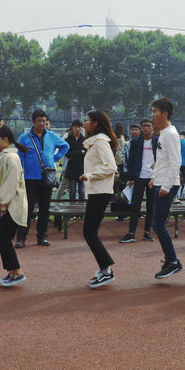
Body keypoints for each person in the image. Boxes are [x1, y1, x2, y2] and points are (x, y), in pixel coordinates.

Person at [16, 109, 69, 247]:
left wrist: (54, 158)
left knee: (45, 209)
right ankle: (21, 238)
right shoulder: (24, 138)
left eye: (44, 121)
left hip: (47, 178)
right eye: (39, 121)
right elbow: (19, 157)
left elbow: (65, 146)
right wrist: (18, 173)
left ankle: (42, 237)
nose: (42, 124)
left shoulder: (51, 135)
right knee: (27, 209)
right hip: (30, 178)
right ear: (33, 122)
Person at [79, 110, 119, 288]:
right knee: (90, 232)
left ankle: (106, 270)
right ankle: (105, 269)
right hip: (97, 191)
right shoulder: (95, 142)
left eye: (87, 121)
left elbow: (111, 166)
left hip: (101, 192)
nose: (84, 124)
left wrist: (90, 175)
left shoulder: (100, 142)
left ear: (95, 123)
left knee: (89, 232)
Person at [150, 98, 184, 279]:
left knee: (158, 224)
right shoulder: (163, 133)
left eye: (155, 111)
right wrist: (154, 178)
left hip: (166, 185)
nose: (152, 115)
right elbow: (163, 162)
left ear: (164, 113)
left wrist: (166, 186)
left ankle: (173, 261)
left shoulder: (170, 133)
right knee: (157, 224)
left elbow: (176, 162)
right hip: (160, 183)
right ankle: (171, 260)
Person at [0, 125, 29, 287]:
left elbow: (10, 183)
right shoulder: (8, 156)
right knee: (4, 239)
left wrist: (4, 203)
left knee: (4, 239)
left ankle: (17, 272)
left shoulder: (11, 158)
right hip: (10, 203)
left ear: (6, 140)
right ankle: (12, 272)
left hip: (12, 205)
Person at [120, 118, 157, 243]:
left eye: (148, 126)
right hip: (139, 177)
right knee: (135, 206)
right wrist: (130, 178)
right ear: (141, 128)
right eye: (144, 126)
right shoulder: (135, 142)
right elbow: (131, 161)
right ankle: (131, 233)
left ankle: (147, 232)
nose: (146, 128)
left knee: (151, 207)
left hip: (153, 178)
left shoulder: (158, 141)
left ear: (152, 127)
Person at [64, 120, 86, 201]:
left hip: (81, 168)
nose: (77, 129)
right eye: (75, 126)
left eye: (79, 127)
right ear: (72, 128)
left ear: (81, 128)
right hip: (72, 168)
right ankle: (71, 208)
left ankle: (82, 209)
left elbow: (86, 153)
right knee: (72, 191)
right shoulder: (67, 140)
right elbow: (67, 154)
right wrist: (79, 152)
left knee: (82, 191)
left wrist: (74, 154)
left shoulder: (84, 140)